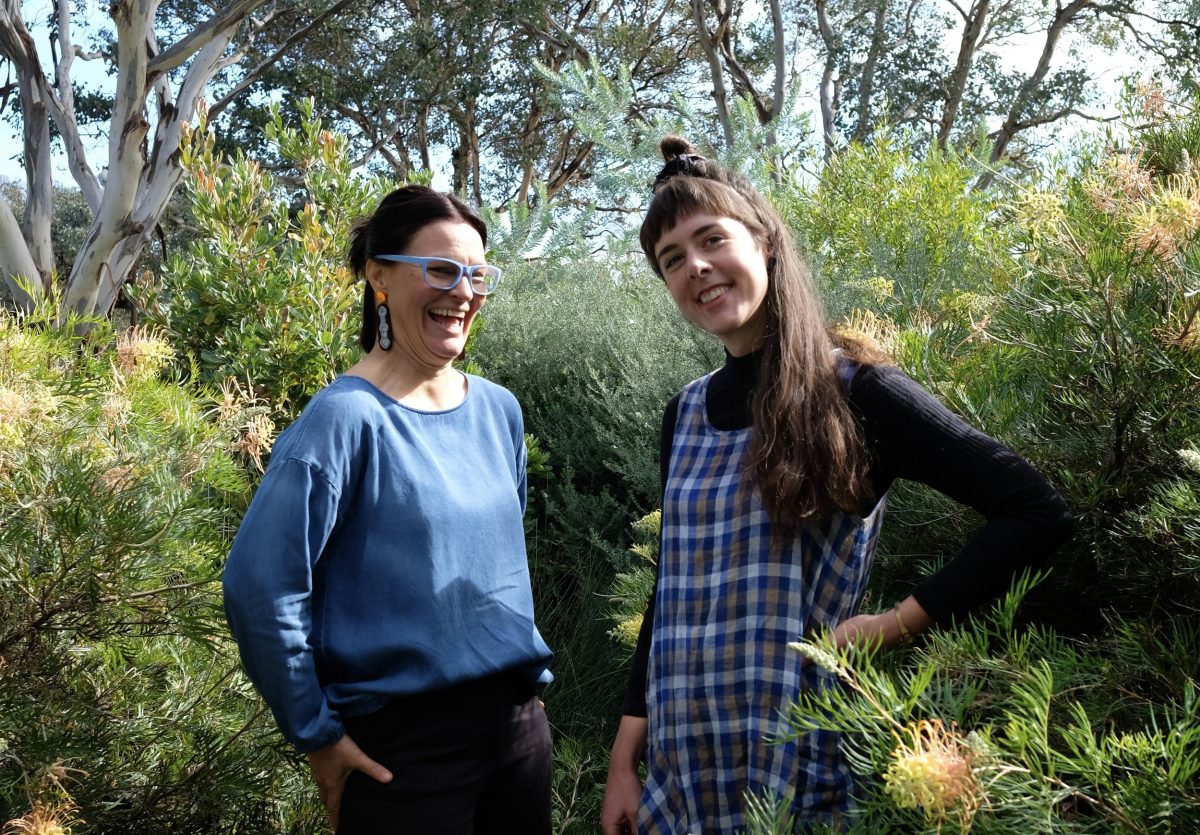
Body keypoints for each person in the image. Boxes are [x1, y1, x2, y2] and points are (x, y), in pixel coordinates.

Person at [599, 138, 1074, 834]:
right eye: (671, 259)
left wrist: (894, 623)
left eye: (710, 240)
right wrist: (622, 758)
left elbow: (1036, 510)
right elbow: (669, 591)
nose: (694, 266)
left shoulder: (857, 389)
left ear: (763, 242)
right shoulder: (687, 412)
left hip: (801, 766)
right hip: (683, 777)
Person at [222, 185, 553, 835]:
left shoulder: (498, 411)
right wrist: (315, 732)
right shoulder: (342, 420)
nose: (462, 291)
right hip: (404, 759)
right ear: (379, 275)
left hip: (519, 737)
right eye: (440, 269)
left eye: (476, 274)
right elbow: (259, 586)